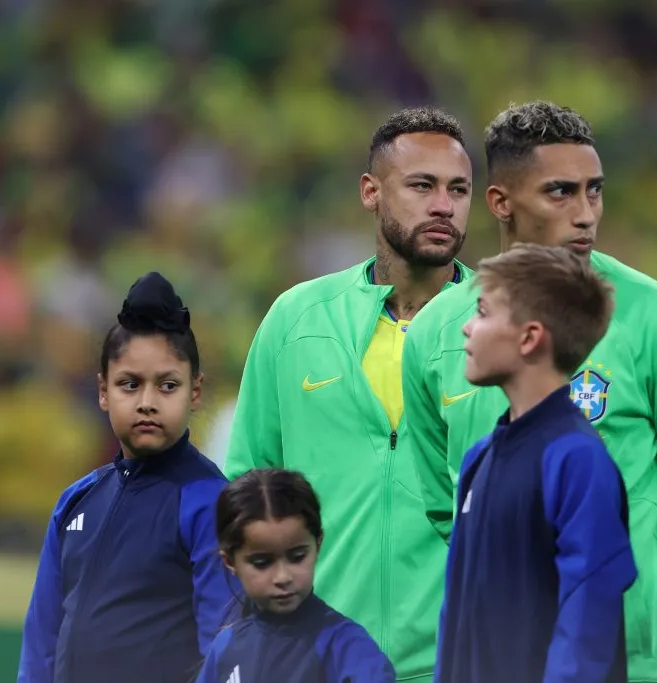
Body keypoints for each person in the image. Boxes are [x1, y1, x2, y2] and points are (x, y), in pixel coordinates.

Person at [403, 100, 657, 683]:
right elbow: (444, 503)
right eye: (561, 193)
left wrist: (653, 609)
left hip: (622, 657)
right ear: (501, 203)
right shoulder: (438, 330)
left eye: (595, 191)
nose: (586, 214)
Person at [223, 107, 474, 681]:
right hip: (314, 659)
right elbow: (246, 487)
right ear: (370, 191)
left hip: (460, 657)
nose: (444, 205)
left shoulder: (502, 324)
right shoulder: (296, 320)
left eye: (458, 189)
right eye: (422, 185)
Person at [18, 272, 234, 683]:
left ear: (195, 391)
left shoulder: (211, 502)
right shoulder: (76, 501)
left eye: (167, 385)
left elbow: (222, 649)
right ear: (103, 391)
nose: (147, 403)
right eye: (129, 385)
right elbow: (40, 644)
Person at [435, 244, 636, 683]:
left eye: (483, 312)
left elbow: (587, 630)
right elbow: (456, 619)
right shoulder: (479, 458)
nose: (468, 328)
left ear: (529, 338)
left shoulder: (577, 460)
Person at [196, 468, 395, 683]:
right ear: (230, 562)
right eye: (262, 563)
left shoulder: (349, 649)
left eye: (297, 557)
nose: (283, 577)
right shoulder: (226, 647)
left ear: (317, 544)